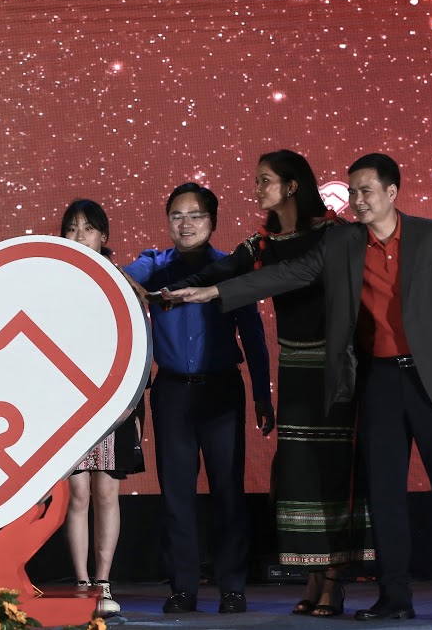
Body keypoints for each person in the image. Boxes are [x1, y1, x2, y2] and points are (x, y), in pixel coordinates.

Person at [168, 154, 432, 621]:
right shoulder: (343, 240)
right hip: (378, 381)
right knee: (384, 497)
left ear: (392, 192)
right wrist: (214, 292)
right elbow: (286, 274)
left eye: (365, 191)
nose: (356, 200)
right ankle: (395, 599)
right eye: (352, 191)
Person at [166, 151, 370, 617]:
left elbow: (288, 275)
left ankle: (334, 581)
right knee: (301, 473)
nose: (257, 189)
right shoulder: (263, 242)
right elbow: (221, 269)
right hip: (294, 366)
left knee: (334, 472)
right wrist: (174, 290)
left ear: (292, 185)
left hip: (335, 366)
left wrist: (212, 292)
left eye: (265, 181)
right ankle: (314, 576)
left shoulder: (334, 234)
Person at [122, 182, 274, 616]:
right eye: (177, 216)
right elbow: (120, 279)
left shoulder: (230, 268)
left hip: (222, 389)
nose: (185, 224)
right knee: (176, 494)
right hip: (172, 392)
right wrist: (137, 283)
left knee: (228, 490)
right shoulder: (154, 264)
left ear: (213, 221)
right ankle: (183, 587)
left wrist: (261, 394)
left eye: (195, 215)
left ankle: (232, 587)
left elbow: (253, 336)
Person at [59, 199, 145, 619]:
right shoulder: (53, 281)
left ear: (103, 236)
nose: (80, 236)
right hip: (68, 405)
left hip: (114, 405)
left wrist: (131, 402)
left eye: (88, 229)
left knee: (107, 492)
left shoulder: (121, 283)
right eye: (72, 228)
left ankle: (104, 581)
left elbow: (140, 347)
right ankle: (81, 584)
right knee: (77, 493)